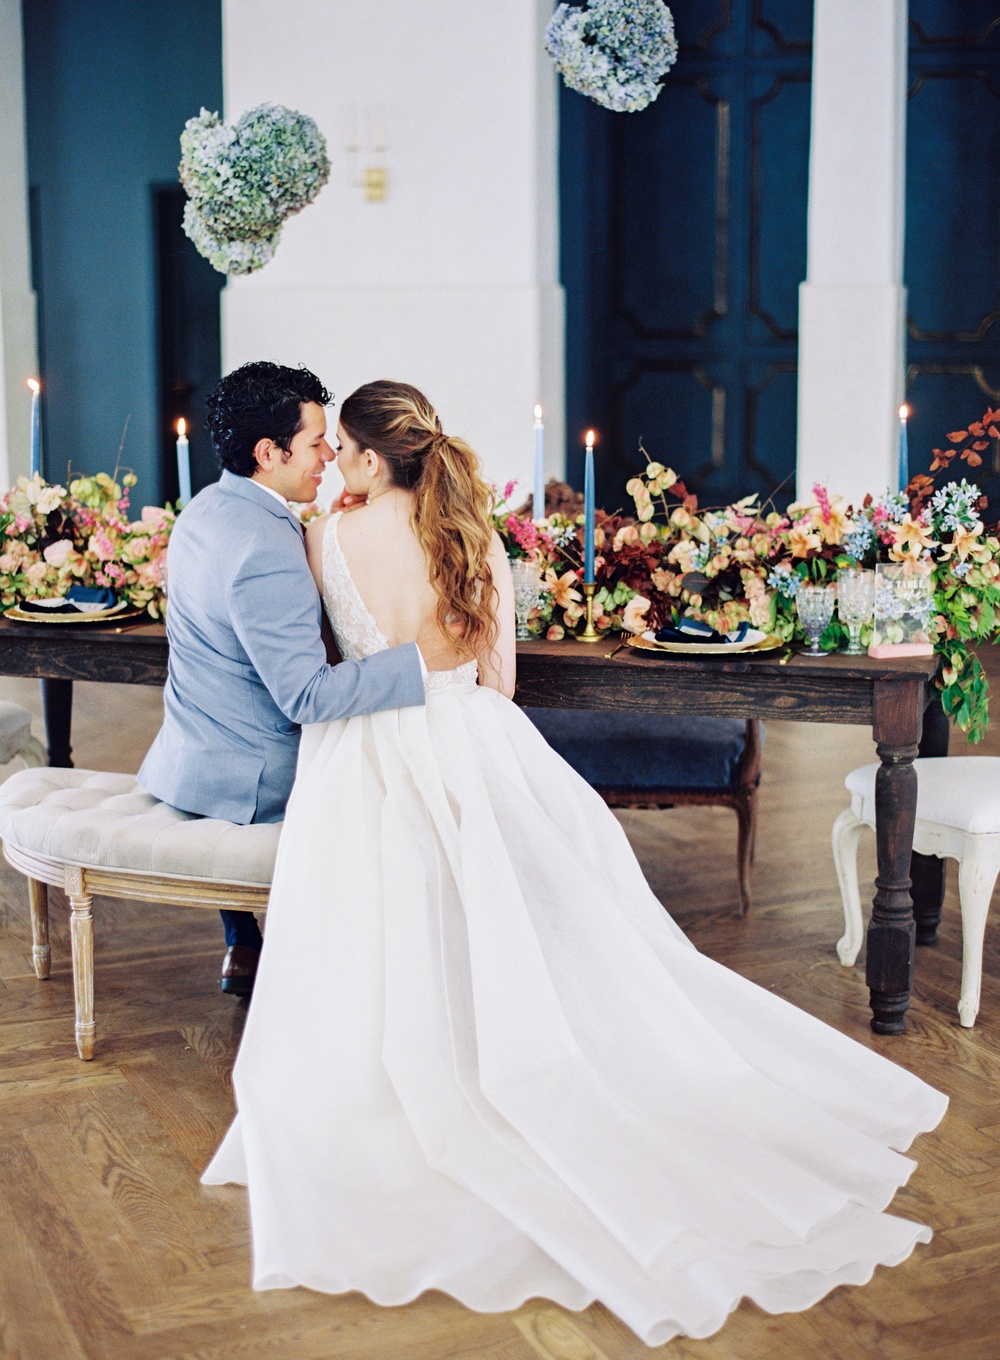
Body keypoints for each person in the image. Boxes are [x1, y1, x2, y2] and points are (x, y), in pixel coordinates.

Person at [203, 380, 948, 1347]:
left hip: (362, 757)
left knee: (375, 926)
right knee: (540, 917)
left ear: (374, 460)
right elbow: (500, 683)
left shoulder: (318, 539)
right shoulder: (467, 533)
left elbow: (326, 665)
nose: (330, 463)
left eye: (341, 448)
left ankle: (418, 1072)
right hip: (472, 734)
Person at [138, 363, 432, 997]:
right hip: (252, 781)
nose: (330, 454)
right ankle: (388, 975)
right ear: (268, 453)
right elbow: (307, 696)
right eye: (316, 442)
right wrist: (418, 663)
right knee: (418, 774)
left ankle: (243, 940)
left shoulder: (206, 510)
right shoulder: (266, 547)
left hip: (191, 757)